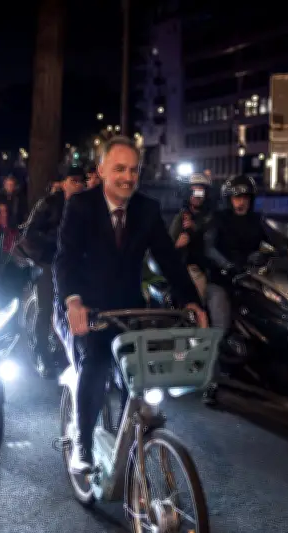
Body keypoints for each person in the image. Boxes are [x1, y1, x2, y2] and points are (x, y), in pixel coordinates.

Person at [53, 136, 207, 473]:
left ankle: (130, 443)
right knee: (95, 362)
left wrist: (191, 301)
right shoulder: (81, 205)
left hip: (128, 309)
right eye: (120, 169)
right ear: (102, 170)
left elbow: (168, 260)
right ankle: (83, 444)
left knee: (138, 376)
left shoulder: (147, 209)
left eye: (134, 170)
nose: (128, 177)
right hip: (84, 307)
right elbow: (65, 259)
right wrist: (73, 302)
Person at [202, 174, 288, 404]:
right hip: (222, 280)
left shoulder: (256, 221)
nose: (241, 202)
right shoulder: (218, 220)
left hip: (249, 279)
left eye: (245, 198)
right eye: (236, 198)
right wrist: (227, 266)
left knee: (275, 312)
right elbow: (210, 249)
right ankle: (210, 382)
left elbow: (278, 240)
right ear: (228, 200)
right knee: (220, 326)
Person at [19, 166, 86, 377]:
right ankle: (42, 354)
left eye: (81, 181)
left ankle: (68, 351)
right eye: (73, 180)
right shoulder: (49, 204)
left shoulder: (87, 206)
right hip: (48, 261)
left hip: (74, 263)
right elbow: (30, 233)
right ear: (64, 183)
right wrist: (57, 241)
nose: (78, 185)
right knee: (46, 307)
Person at [168, 173, 214, 302]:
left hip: (208, 268)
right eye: (193, 191)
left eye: (200, 192)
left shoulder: (211, 216)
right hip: (187, 267)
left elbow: (211, 238)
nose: (197, 196)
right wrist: (177, 244)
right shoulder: (182, 216)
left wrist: (195, 230)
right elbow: (168, 245)